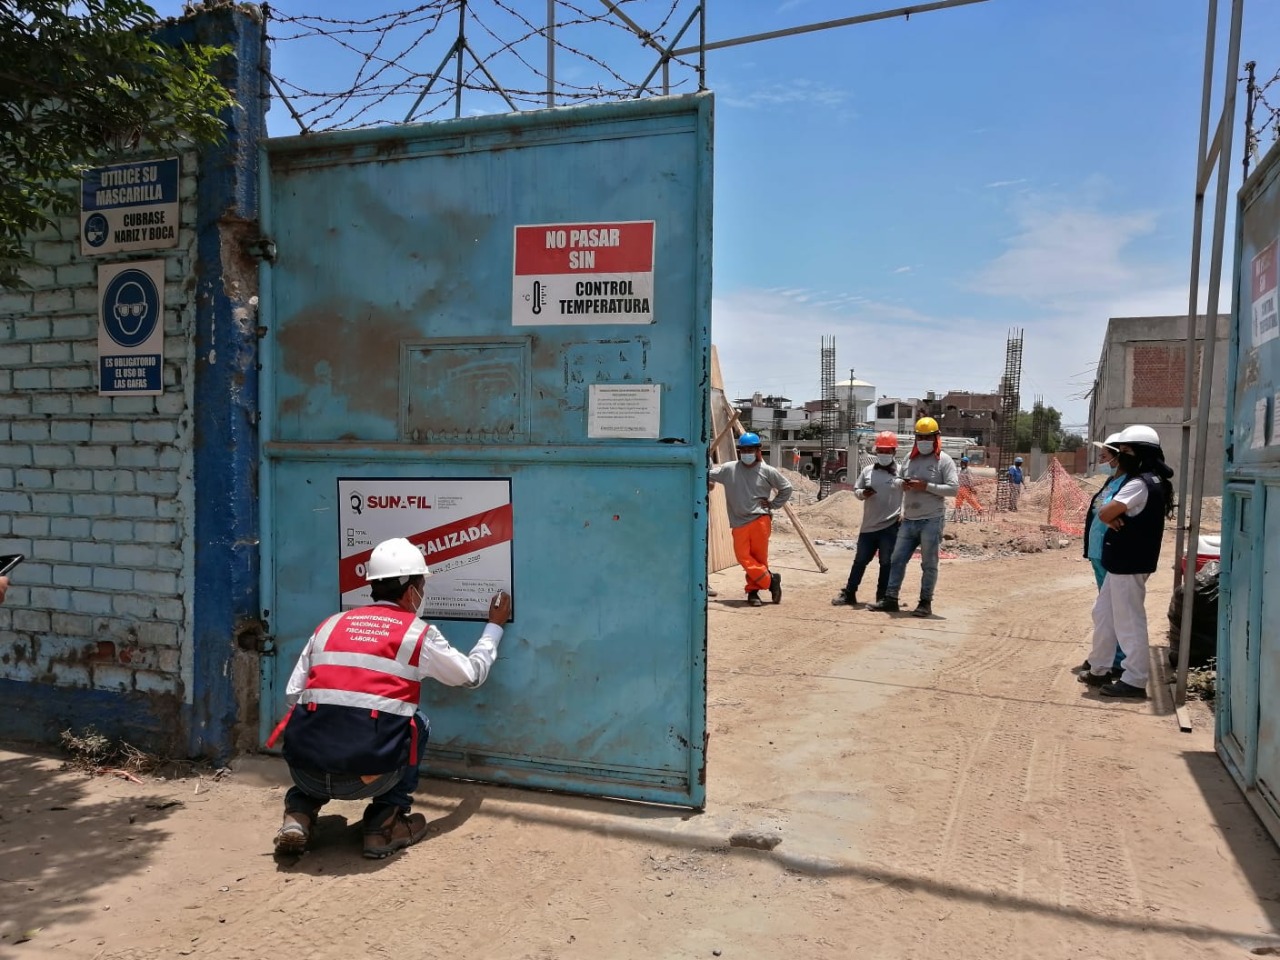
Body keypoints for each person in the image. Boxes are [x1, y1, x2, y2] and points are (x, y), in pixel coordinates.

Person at [271, 537, 511, 858]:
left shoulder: (329, 625)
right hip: (367, 778)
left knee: (316, 717)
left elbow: (293, 697)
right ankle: (385, 823)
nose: (422, 594)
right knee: (416, 723)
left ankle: (299, 812)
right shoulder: (416, 633)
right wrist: (494, 627)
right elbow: (471, 675)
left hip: (306, 771)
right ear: (411, 590)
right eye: (422, 586)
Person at [1078, 425, 1175, 699]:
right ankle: (1100, 667)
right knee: (1104, 613)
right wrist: (1109, 516)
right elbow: (1107, 513)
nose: (1122, 456)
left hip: (1129, 561)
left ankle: (1134, 678)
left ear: (1142, 453)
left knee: (1129, 620)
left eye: (1127, 451)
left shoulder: (1139, 482)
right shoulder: (1149, 480)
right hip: (1124, 561)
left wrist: (1109, 516)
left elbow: (1106, 511)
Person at [868, 417, 959, 618]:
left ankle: (925, 602)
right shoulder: (910, 458)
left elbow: (953, 489)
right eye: (920, 437)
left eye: (927, 437)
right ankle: (891, 599)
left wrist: (926, 486)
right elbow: (898, 479)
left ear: (936, 438)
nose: (923, 441)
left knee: (928, 563)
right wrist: (904, 484)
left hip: (931, 520)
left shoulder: (943, 461)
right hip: (909, 520)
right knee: (897, 560)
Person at [708, 432, 792, 607]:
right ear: (739, 451)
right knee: (743, 557)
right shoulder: (728, 469)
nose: (747, 453)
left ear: (758, 450)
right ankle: (771, 581)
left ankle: (753, 592)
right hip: (738, 522)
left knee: (759, 558)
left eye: (750, 449)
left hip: (759, 519)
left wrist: (774, 504)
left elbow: (786, 488)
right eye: (743, 450)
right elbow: (707, 475)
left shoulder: (767, 471)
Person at [832, 431, 903, 607]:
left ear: (894, 452)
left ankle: (882, 597)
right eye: (881, 450)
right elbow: (856, 491)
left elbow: (909, 493)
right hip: (869, 526)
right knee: (860, 560)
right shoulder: (867, 471)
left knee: (886, 562)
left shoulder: (901, 471)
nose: (884, 454)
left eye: (887, 451)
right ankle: (849, 593)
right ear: (875, 450)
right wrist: (863, 493)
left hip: (890, 525)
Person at [1076, 434, 1127, 679]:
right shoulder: (1112, 479)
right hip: (1098, 552)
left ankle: (1116, 660)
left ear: (1119, 454)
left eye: (1106, 450)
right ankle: (1104, 655)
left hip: (1110, 553)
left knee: (1112, 610)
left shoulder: (1128, 483)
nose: (1101, 454)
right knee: (1104, 609)